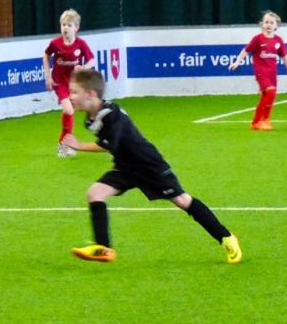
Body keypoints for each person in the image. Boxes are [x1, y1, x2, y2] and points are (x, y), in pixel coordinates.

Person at [63, 69, 242, 264]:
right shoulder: (91, 117)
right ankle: (103, 248)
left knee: (182, 200)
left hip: (148, 164)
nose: (71, 97)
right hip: (126, 166)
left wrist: (80, 146)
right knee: (95, 193)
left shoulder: (110, 113)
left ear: (91, 94)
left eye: (75, 92)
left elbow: (109, 145)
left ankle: (226, 237)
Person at [229, 10, 287, 130]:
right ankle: (264, 120)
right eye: (266, 22)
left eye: (271, 23)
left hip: (272, 73)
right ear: (262, 24)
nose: (269, 24)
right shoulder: (258, 39)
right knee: (270, 92)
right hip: (261, 72)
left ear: (276, 25)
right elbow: (246, 50)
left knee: (268, 95)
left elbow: (285, 55)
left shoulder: (278, 41)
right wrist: (237, 62)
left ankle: (256, 122)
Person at [43, 9, 95, 157]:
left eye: (69, 25)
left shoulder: (81, 44)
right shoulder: (55, 43)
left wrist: (83, 68)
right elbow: (46, 55)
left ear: (76, 28)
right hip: (59, 82)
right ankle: (63, 145)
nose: (65, 28)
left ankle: (64, 144)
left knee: (69, 112)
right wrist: (48, 76)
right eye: (63, 25)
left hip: (74, 84)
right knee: (70, 110)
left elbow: (91, 60)